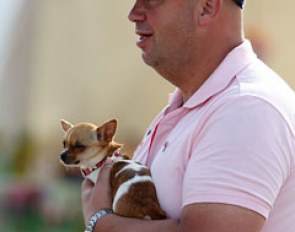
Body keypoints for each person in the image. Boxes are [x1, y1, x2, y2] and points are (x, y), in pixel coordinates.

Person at [81, 0, 295, 231]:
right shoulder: (201, 102)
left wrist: (101, 222)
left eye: (151, 1)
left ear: (206, 7)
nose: (134, 14)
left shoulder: (247, 108)